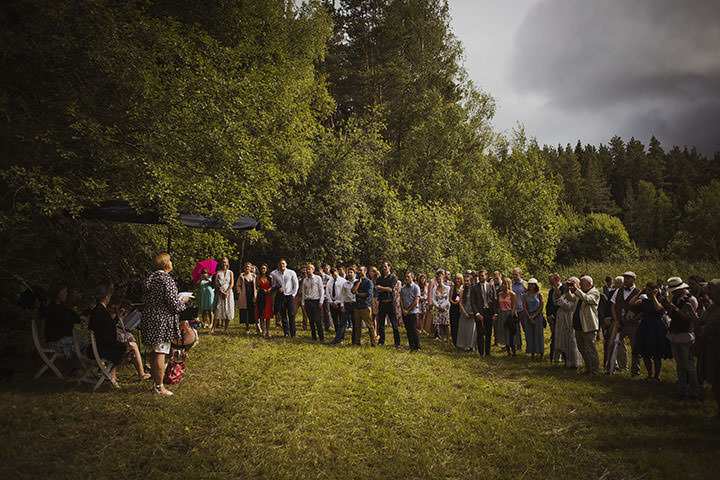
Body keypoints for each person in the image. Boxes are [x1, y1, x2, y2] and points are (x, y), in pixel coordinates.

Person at [142, 253, 189, 395]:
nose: (172, 263)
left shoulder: (150, 279)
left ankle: (157, 383)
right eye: (170, 260)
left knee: (155, 351)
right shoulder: (166, 279)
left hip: (150, 318)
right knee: (161, 352)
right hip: (162, 321)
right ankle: (159, 386)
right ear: (166, 264)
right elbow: (173, 304)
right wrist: (184, 300)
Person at [89, 283, 150, 383]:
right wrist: (122, 346)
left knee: (128, 345)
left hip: (96, 345)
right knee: (131, 346)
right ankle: (140, 374)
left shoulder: (97, 311)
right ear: (107, 297)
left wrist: (117, 317)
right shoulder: (102, 313)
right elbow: (108, 337)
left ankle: (113, 374)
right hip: (101, 347)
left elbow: (106, 329)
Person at [662, 276, 700, 399]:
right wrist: (669, 307)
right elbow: (672, 315)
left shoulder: (691, 300)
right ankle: (682, 389)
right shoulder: (675, 298)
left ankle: (694, 391)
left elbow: (689, 319)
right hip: (675, 334)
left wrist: (676, 309)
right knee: (680, 365)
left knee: (689, 365)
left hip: (685, 335)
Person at [630, 282, 671, 381]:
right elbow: (631, 303)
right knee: (645, 352)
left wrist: (654, 296)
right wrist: (640, 293)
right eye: (647, 290)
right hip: (646, 326)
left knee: (656, 353)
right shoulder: (644, 301)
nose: (647, 292)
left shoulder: (661, 300)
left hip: (657, 327)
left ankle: (656, 376)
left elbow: (658, 308)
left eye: (649, 290)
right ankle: (649, 374)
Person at [695, 279, 720, 418]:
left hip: (717, 348)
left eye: (712, 290)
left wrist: (702, 328)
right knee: (714, 380)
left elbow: (709, 329)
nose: (708, 293)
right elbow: (700, 324)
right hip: (710, 348)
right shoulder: (712, 308)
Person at [609, 272, 642, 376]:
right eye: (624, 278)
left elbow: (642, 309)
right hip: (620, 322)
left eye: (628, 278)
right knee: (614, 343)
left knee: (635, 347)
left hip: (633, 324)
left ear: (633, 279)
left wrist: (636, 318)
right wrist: (616, 320)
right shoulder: (618, 291)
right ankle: (612, 367)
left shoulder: (639, 292)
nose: (625, 280)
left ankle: (635, 370)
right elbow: (613, 306)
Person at [568, 276, 601, 375]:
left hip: (589, 325)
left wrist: (576, 290)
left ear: (589, 283)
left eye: (582, 282)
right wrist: (568, 290)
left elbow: (588, 299)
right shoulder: (581, 292)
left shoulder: (594, 292)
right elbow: (571, 298)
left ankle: (595, 370)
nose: (580, 284)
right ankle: (588, 368)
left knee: (591, 349)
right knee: (581, 348)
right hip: (579, 325)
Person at [44, 284, 82, 364]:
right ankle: (77, 364)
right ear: (57, 294)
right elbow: (66, 322)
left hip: (62, 338)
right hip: (55, 341)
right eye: (64, 292)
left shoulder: (62, 306)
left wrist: (79, 318)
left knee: (84, 339)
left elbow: (74, 316)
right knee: (83, 341)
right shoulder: (53, 309)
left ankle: (78, 364)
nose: (66, 294)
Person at [552, 277, 582, 369]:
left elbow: (569, 306)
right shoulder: (566, 293)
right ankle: (566, 360)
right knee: (563, 339)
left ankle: (575, 362)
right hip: (561, 318)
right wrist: (557, 295)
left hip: (569, 318)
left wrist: (560, 301)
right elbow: (556, 302)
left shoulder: (577, 294)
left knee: (572, 341)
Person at [271, 259, 299, 337]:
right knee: (283, 315)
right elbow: (274, 285)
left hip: (290, 295)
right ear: (278, 265)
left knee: (291, 314)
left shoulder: (291, 272)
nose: (282, 265)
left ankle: (293, 333)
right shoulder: (275, 274)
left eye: (283, 263)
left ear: (286, 264)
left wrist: (293, 294)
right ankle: (286, 332)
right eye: (280, 264)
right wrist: (277, 288)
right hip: (281, 296)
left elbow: (296, 284)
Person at [375, 261, 400, 347]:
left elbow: (390, 289)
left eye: (385, 266)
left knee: (394, 323)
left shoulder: (393, 278)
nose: (384, 268)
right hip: (382, 302)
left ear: (389, 267)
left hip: (390, 302)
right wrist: (384, 288)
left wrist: (382, 288)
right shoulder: (379, 278)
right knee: (381, 323)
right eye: (383, 266)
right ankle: (381, 341)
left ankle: (397, 342)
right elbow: (377, 288)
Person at [470, 269, 495, 356]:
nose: (481, 277)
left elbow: (494, 300)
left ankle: (487, 352)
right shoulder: (474, 287)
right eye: (480, 276)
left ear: (486, 276)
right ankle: (481, 352)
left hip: (489, 312)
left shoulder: (491, 286)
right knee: (480, 333)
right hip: (479, 312)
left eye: (482, 275)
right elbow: (472, 302)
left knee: (488, 333)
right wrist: (477, 313)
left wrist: (495, 313)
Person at [351, 266, 376, 346]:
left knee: (370, 325)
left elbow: (367, 294)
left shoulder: (369, 282)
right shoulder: (356, 282)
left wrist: (358, 293)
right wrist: (359, 283)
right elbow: (353, 291)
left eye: (361, 270)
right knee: (357, 326)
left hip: (366, 306)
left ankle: (373, 342)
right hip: (357, 306)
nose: (360, 272)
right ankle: (357, 342)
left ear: (365, 271)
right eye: (359, 270)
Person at [521, 278, 545, 359]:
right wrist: (529, 317)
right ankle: (532, 352)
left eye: (532, 284)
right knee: (530, 335)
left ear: (536, 285)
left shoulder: (539, 295)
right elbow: (524, 307)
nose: (530, 286)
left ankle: (541, 352)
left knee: (538, 334)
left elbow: (541, 306)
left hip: (538, 316)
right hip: (528, 316)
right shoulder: (524, 295)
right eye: (529, 284)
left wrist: (534, 316)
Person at [496, 277, 520, 356]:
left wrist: (511, 315)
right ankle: (507, 350)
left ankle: (514, 350)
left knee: (511, 332)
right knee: (505, 332)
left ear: (509, 285)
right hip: (502, 314)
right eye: (503, 284)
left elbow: (514, 305)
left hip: (510, 314)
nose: (503, 285)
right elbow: (498, 305)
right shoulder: (499, 294)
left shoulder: (512, 294)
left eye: (505, 284)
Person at [302, 264, 325, 341]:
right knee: (311, 320)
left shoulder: (318, 278)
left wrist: (321, 301)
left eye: (309, 269)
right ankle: (313, 336)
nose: (308, 271)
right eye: (307, 269)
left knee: (317, 320)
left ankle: (321, 337)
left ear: (313, 270)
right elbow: (303, 292)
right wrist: (303, 303)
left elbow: (321, 290)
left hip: (316, 301)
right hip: (308, 301)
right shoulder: (305, 280)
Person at [400, 271, 422, 352]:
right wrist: (403, 310)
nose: (406, 278)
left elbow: (416, 300)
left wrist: (408, 310)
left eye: (408, 277)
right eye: (406, 276)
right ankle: (411, 346)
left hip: (413, 312)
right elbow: (401, 299)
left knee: (414, 329)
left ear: (412, 278)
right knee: (408, 329)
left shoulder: (416, 287)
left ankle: (417, 346)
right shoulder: (403, 288)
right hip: (405, 312)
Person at [212, 257, 234, 334]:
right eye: (223, 262)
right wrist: (221, 291)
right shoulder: (218, 272)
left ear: (227, 263)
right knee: (218, 309)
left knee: (228, 309)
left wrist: (226, 292)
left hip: (228, 293)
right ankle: (213, 328)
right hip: (220, 292)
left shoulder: (230, 272)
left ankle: (226, 328)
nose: (224, 263)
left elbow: (231, 284)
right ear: (221, 263)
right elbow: (215, 284)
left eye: (225, 262)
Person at [335, 266, 356, 345]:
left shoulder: (357, 282)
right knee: (342, 323)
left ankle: (354, 341)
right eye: (348, 273)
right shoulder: (345, 284)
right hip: (346, 305)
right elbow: (342, 295)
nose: (350, 274)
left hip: (354, 304)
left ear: (354, 274)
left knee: (355, 324)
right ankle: (339, 339)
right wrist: (342, 305)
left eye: (351, 272)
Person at [457, 275, 477, 351]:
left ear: (471, 281)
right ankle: (463, 344)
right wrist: (464, 312)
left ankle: (471, 345)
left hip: (472, 311)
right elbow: (460, 302)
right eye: (465, 281)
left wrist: (474, 312)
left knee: (471, 329)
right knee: (464, 329)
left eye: (467, 281)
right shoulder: (462, 291)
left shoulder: (474, 290)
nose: (466, 282)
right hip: (464, 310)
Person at [236, 262, 257, 333]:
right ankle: (247, 326)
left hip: (253, 295)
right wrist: (239, 292)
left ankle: (257, 326)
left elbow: (257, 285)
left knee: (254, 310)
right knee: (245, 311)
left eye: (248, 267)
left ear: (251, 268)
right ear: (244, 268)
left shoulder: (254, 276)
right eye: (246, 267)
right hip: (244, 296)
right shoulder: (241, 276)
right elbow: (238, 285)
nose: (247, 268)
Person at [432, 270, 451, 345]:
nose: (439, 280)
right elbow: (433, 299)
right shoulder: (435, 288)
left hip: (445, 307)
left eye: (440, 279)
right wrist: (437, 306)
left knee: (446, 324)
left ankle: (448, 340)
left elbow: (448, 299)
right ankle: (442, 339)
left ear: (443, 278)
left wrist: (442, 306)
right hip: (438, 308)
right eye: (438, 279)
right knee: (440, 324)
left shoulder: (447, 288)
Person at [546, 273, 561, 362]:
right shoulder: (551, 291)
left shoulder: (563, 289)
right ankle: (553, 356)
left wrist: (553, 315)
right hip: (552, 317)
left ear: (557, 280)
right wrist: (548, 315)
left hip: (559, 316)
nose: (550, 283)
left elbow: (560, 305)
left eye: (552, 281)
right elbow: (549, 305)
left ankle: (559, 356)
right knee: (554, 336)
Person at [256, 264, 274, 337]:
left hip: (268, 297)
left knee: (268, 315)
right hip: (260, 296)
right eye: (262, 268)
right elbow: (257, 286)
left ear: (266, 269)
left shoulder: (270, 278)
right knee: (262, 314)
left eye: (264, 268)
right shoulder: (258, 277)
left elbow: (272, 286)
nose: (263, 270)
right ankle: (263, 331)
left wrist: (269, 289)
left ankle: (268, 331)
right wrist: (261, 290)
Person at [326, 268, 345, 334]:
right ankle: (337, 334)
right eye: (333, 275)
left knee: (341, 320)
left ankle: (341, 335)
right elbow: (327, 292)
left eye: (335, 274)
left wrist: (337, 302)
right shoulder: (330, 281)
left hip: (340, 302)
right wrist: (331, 302)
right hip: (332, 302)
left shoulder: (342, 281)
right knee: (335, 320)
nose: (335, 276)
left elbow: (343, 293)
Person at [511, 268, 527, 335]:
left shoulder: (525, 284)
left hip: (523, 309)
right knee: (516, 330)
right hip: (514, 310)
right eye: (513, 275)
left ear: (520, 274)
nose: (514, 276)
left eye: (516, 275)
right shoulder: (512, 285)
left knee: (525, 328)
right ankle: (518, 344)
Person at [449, 273, 463, 347]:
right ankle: (455, 342)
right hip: (454, 309)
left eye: (458, 279)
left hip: (461, 309)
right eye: (456, 279)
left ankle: (461, 341)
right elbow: (450, 298)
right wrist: (454, 303)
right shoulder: (452, 288)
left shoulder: (463, 288)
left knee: (460, 326)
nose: (457, 280)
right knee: (454, 326)